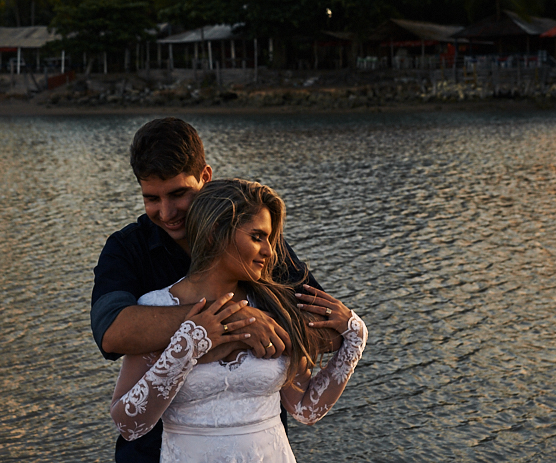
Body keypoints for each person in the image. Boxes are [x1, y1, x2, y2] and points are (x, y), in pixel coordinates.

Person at [91, 117, 324, 462]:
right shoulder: (126, 249)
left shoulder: (256, 247)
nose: (166, 212)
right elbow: (111, 333)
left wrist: (258, 328)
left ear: (206, 177)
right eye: (151, 198)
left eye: (178, 193)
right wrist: (233, 320)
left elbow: (325, 327)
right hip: (151, 451)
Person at [108, 178, 368, 462]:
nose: (270, 251)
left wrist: (354, 337)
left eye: (270, 238)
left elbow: (305, 410)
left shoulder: (276, 305)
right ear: (215, 232)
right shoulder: (155, 307)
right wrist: (189, 346)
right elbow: (129, 424)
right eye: (257, 237)